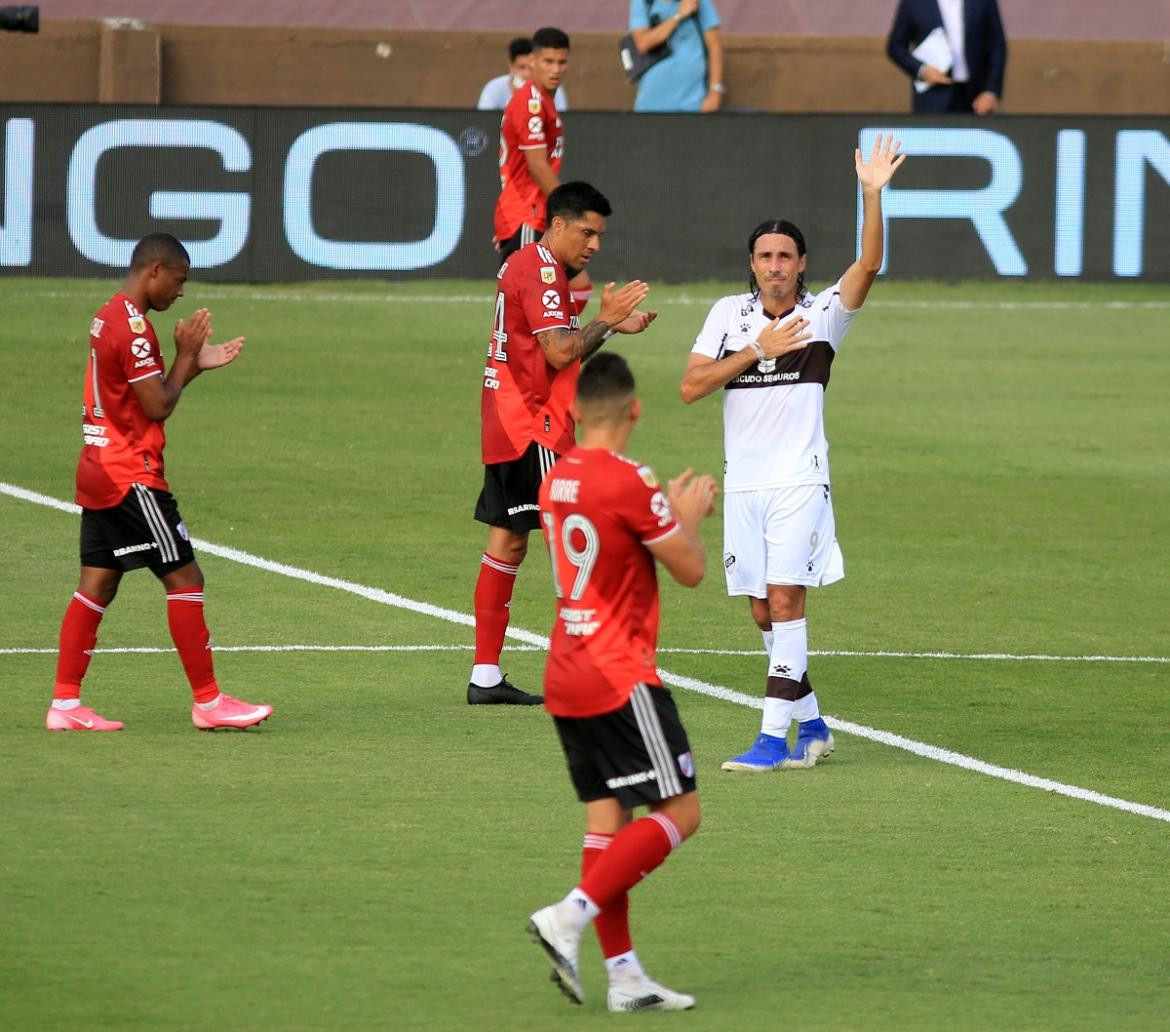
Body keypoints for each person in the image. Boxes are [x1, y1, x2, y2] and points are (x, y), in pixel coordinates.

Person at [678, 135, 906, 771]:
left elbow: (868, 266)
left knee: (785, 604)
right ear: (751, 265)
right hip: (743, 485)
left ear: (802, 263)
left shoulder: (824, 315)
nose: (774, 266)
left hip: (800, 482)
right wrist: (758, 351)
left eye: (785, 256)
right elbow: (691, 387)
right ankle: (815, 725)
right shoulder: (729, 314)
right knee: (763, 614)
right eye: (764, 256)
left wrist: (871, 193)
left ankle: (771, 741)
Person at [527, 351, 718, 1011]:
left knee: (608, 820)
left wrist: (659, 513)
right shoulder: (630, 480)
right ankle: (569, 915)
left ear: (576, 411)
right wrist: (686, 513)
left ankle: (627, 979)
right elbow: (690, 570)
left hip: (565, 670)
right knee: (682, 812)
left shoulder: (557, 478)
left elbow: (615, 544)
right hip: (618, 674)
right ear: (635, 409)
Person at [45, 233, 273, 733]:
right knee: (186, 579)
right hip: (130, 474)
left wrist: (191, 364)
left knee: (97, 583)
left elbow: (146, 395)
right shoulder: (135, 330)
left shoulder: (109, 314)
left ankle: (64, 704)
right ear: (155, 269)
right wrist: (188, 357)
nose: (182, 292)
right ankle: (209, 703)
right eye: (180, 279)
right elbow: (158, 405)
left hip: (97, 466)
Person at [469, 182, 657, 705]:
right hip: (537, 427)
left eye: (599, 235)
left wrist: (611, 328)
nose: (594, 244)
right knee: (576, 543)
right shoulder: (546, 271)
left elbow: (552, 345)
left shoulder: (522, 263)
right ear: (557, 224)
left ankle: (485, 675)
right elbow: (559, 354)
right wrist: (607, 319)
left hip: (505, 421)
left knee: (508, 542)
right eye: (586, 232)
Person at [493, 26, 592, 313]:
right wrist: (570, 210)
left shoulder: (543, 101)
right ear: (533, 62)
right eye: (548, 61)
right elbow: (536, 164)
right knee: (522, 309)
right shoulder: (532, 103)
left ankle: (554, 352)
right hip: (527, 216)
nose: (556, 69)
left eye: (561, 62)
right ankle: (537, 354)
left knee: (577, 288)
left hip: (533, 215)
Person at [886, 0, 1007, 115]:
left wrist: (991, 91)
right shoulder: (913, 2)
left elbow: (997, 44)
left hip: (976, 97)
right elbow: (896, 46)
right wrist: (921, 70)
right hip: (933, 95)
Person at [628, 0, 725, 113]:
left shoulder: (699, 2)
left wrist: (715, 91)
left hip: (693, 104)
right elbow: (643, 43)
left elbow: (715, 47)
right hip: (651, 104)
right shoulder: (643, 2)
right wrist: (678, 15)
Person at [477, 36, 568, 112]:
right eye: (522, 67)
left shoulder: (552, 86)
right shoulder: (494, 88)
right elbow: (484, 122)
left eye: (531, 68)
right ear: (511, 67)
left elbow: (562, 120)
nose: (527, 74)